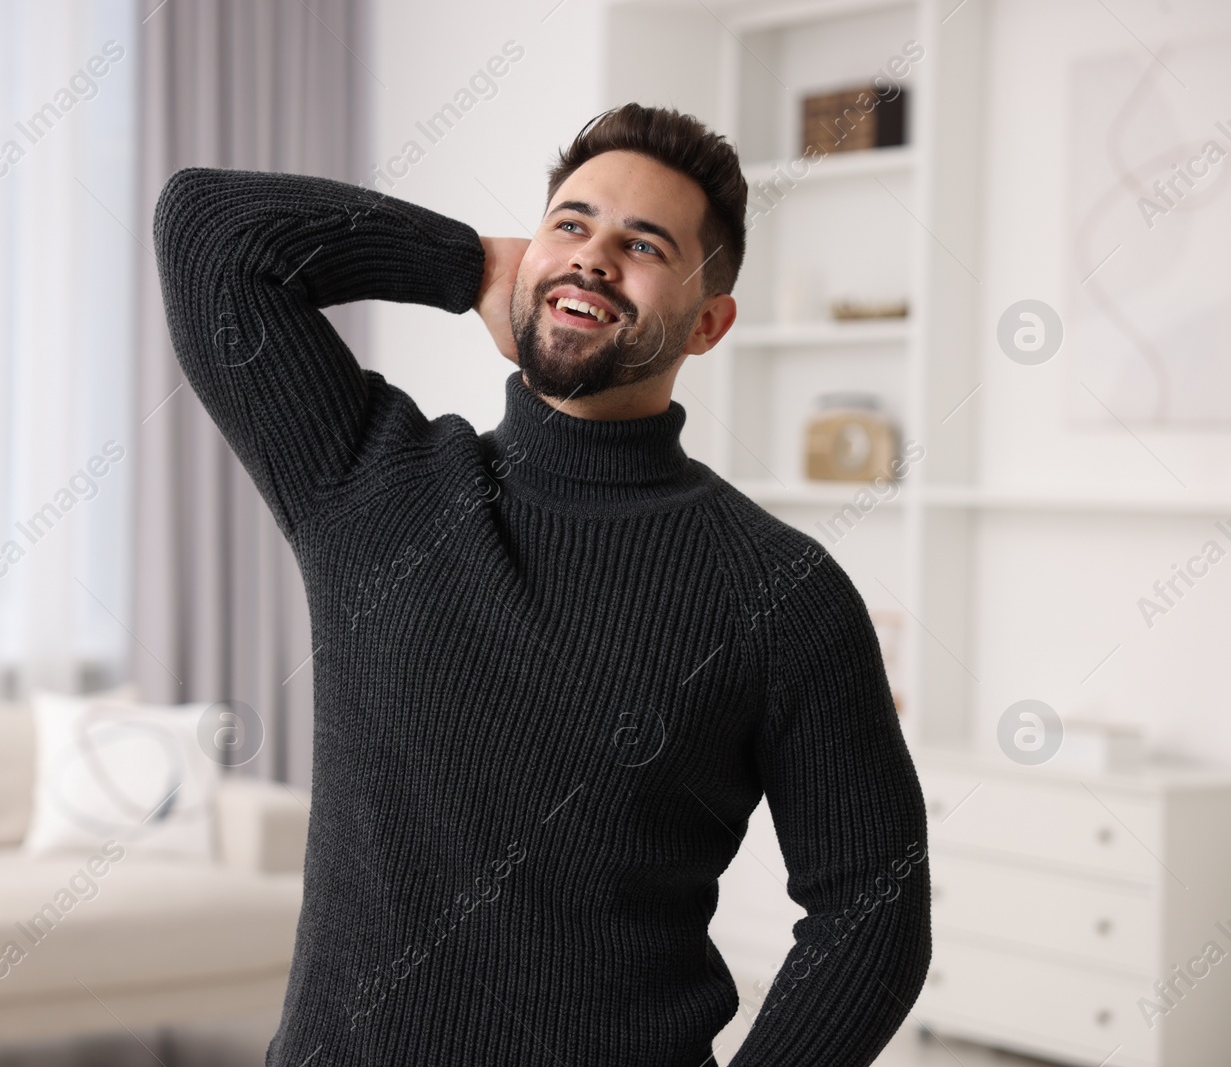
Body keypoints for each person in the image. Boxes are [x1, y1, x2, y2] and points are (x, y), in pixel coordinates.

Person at [152, 102, 930, 1067]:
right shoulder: (369, 485)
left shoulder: (781, 591)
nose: (594, 257)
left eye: (642, 244)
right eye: (572, 223)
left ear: (710, 323)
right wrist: (469, 264)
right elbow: (208, 229)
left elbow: (873, 904)